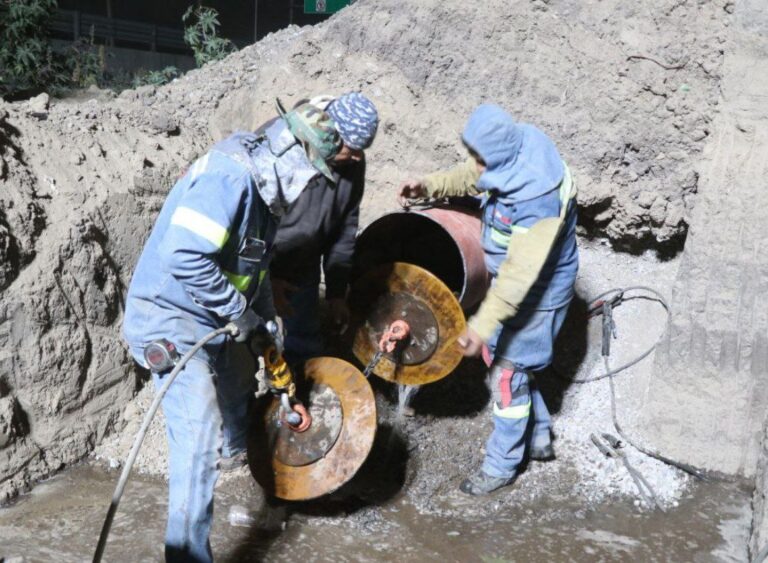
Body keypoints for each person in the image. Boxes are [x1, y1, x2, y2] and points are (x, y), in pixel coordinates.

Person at [122, 101, 343, 562]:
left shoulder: (265, 196)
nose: (309, 188)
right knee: (198, 434)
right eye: (311, 172)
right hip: (170, 318)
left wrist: (263, 335)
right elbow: (185, 254)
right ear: (290, 152)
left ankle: (235, 450)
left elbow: (253, 272)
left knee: (239, 381)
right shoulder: (231, 176)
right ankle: (187, 555)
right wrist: (238, 313)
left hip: (210, 318)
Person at [398, 104, 579, 496]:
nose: (476, 166)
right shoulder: (511, 151)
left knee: (507, 378)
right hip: (515, 281)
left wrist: (479, 326)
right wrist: (428, 186)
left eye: (481, 159)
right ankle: (540, 435)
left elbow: (517, 279)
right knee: (507, 361)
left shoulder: (536, 198)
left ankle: (501, 466)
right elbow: (476, 172)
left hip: (538, 292)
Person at [267, 92, 378, 365]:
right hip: (261, 265)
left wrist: (337, 293)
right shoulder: (280, 146)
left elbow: (345, 228)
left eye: (361, 151)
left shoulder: (352, 163)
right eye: (351, 149)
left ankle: (298, 395)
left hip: (302, 267)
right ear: (330, 135)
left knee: (304, 344)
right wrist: (265, 280)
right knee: (251, 342)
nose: (356, 158)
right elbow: (248, 227)